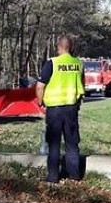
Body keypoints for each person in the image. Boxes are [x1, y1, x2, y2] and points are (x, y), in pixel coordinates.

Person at [35, 35, 84, 183]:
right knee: (72, 143)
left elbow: (40, 86)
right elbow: (82, 85)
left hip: (54, 110)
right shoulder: (78, 64)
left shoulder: (52, 63)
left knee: (54, 143)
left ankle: (53, 176)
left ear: (59, 47)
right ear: (71, 47)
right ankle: (74, 175)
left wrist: (40, 101)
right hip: (71, 108)